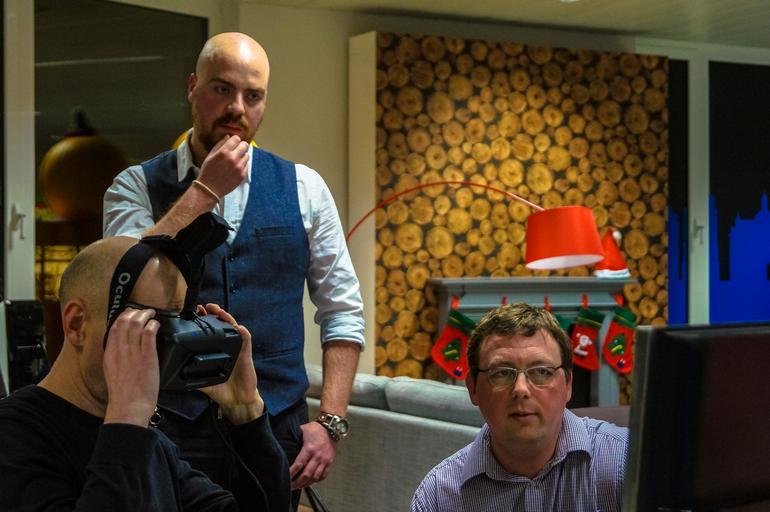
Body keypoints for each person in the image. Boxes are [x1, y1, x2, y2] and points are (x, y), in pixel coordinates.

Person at [103, 32, 365, 505]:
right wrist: (203, 192)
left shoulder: (304, 187)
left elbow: (342, 310)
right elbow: (123, 285)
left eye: (253, 95)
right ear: (193, 87)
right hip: (169, 423)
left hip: (275, 422)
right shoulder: (134, 186)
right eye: (222, 89)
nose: (236, 108)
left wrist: (331, 421)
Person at [0, 236, 290, 511]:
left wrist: (246, 411)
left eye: (180, 323)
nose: (172, 344)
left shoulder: (148, 441)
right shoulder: (15, 434)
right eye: (152, 325)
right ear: (77, 324)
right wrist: (127, 419)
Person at [411, 303, 629, 512]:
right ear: (473, 388)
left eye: (541, 371)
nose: (521, 389)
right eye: (502, 373)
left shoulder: (626, 463)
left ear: (568, 385)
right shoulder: (437, 498)